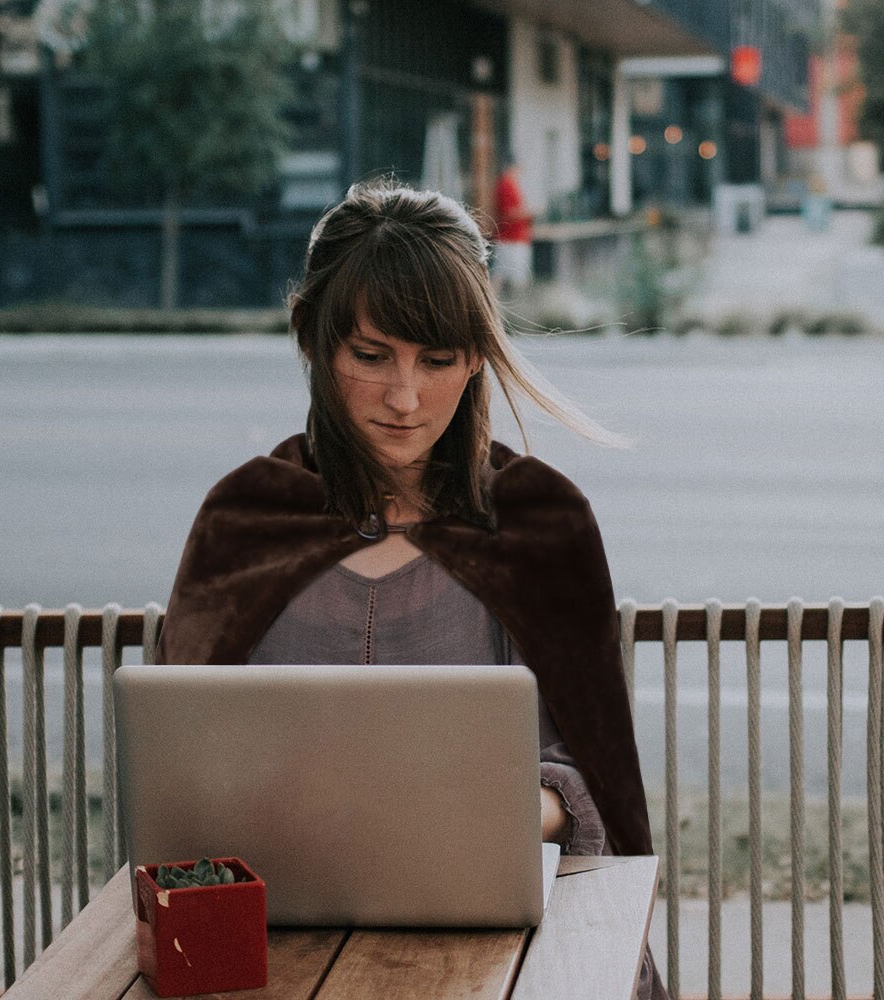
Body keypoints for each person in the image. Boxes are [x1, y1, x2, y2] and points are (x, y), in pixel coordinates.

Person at [156, 182, 667, 999]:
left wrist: (456, 820)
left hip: (501, 956)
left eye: (438, 360)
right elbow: (179, 783)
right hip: (278, 949)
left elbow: (590, 784)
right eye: (371, 355)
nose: (405, 398)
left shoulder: (542, 521)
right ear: (313, 342)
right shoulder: (242, 520)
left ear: (477, 355)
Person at [492, 160, 535, 296]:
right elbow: (508, 213)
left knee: (504, 273)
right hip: (510, 238)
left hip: (516, 237)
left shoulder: (511, 185)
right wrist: (528, 212)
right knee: (507, 274)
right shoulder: (505, 185)